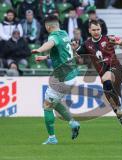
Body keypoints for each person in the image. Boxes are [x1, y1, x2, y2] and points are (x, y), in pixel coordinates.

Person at [72, 20, 122, 143]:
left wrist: (121, 42)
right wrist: (74, 50)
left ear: (101, 29)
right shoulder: (87, 44)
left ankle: (119, 106)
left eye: (98, 29)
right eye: (93, 30)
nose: (96, 32)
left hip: (117, 70)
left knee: (106, 78)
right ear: (89, 30)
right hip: (106, 80)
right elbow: (78, 61)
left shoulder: (109, 39)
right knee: (116, 109)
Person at [31, 15, 80, 145]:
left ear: (48, 26)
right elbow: (61, 52)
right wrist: (45, 57)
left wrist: (39, 50)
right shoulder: (64, 33)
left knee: (46, 106)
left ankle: (52, 138)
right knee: (53, 102)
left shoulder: (54, 36)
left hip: (63, 77)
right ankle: (73, 123)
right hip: (73, 74)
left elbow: (50, 43)